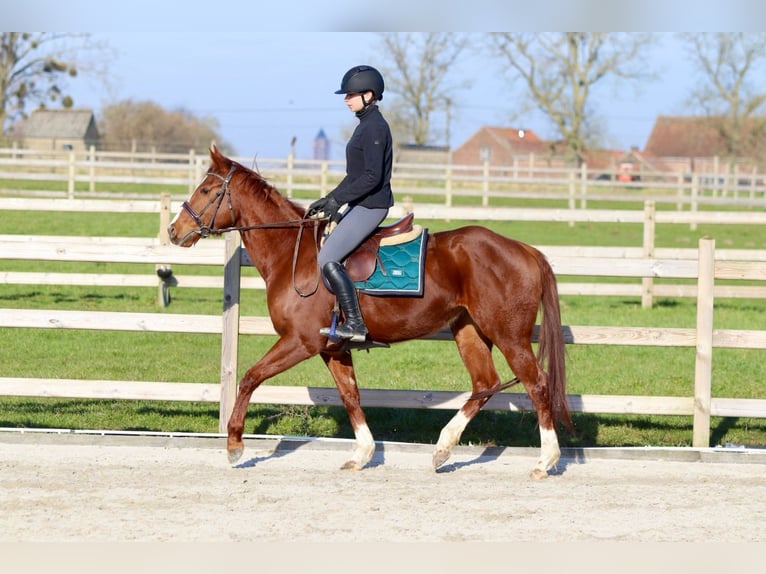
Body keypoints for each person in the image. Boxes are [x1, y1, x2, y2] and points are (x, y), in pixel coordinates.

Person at [307, 65, 394, 343]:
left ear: (369, 94)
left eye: (351, 94)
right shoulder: (365, 125)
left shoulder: (375, 127)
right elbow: (353, 176)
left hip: (372, 205)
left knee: (327, 258)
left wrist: (339, 200)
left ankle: (355, 324)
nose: (346, 99)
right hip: (360, 203)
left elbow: (372, 177)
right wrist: (331, 199)